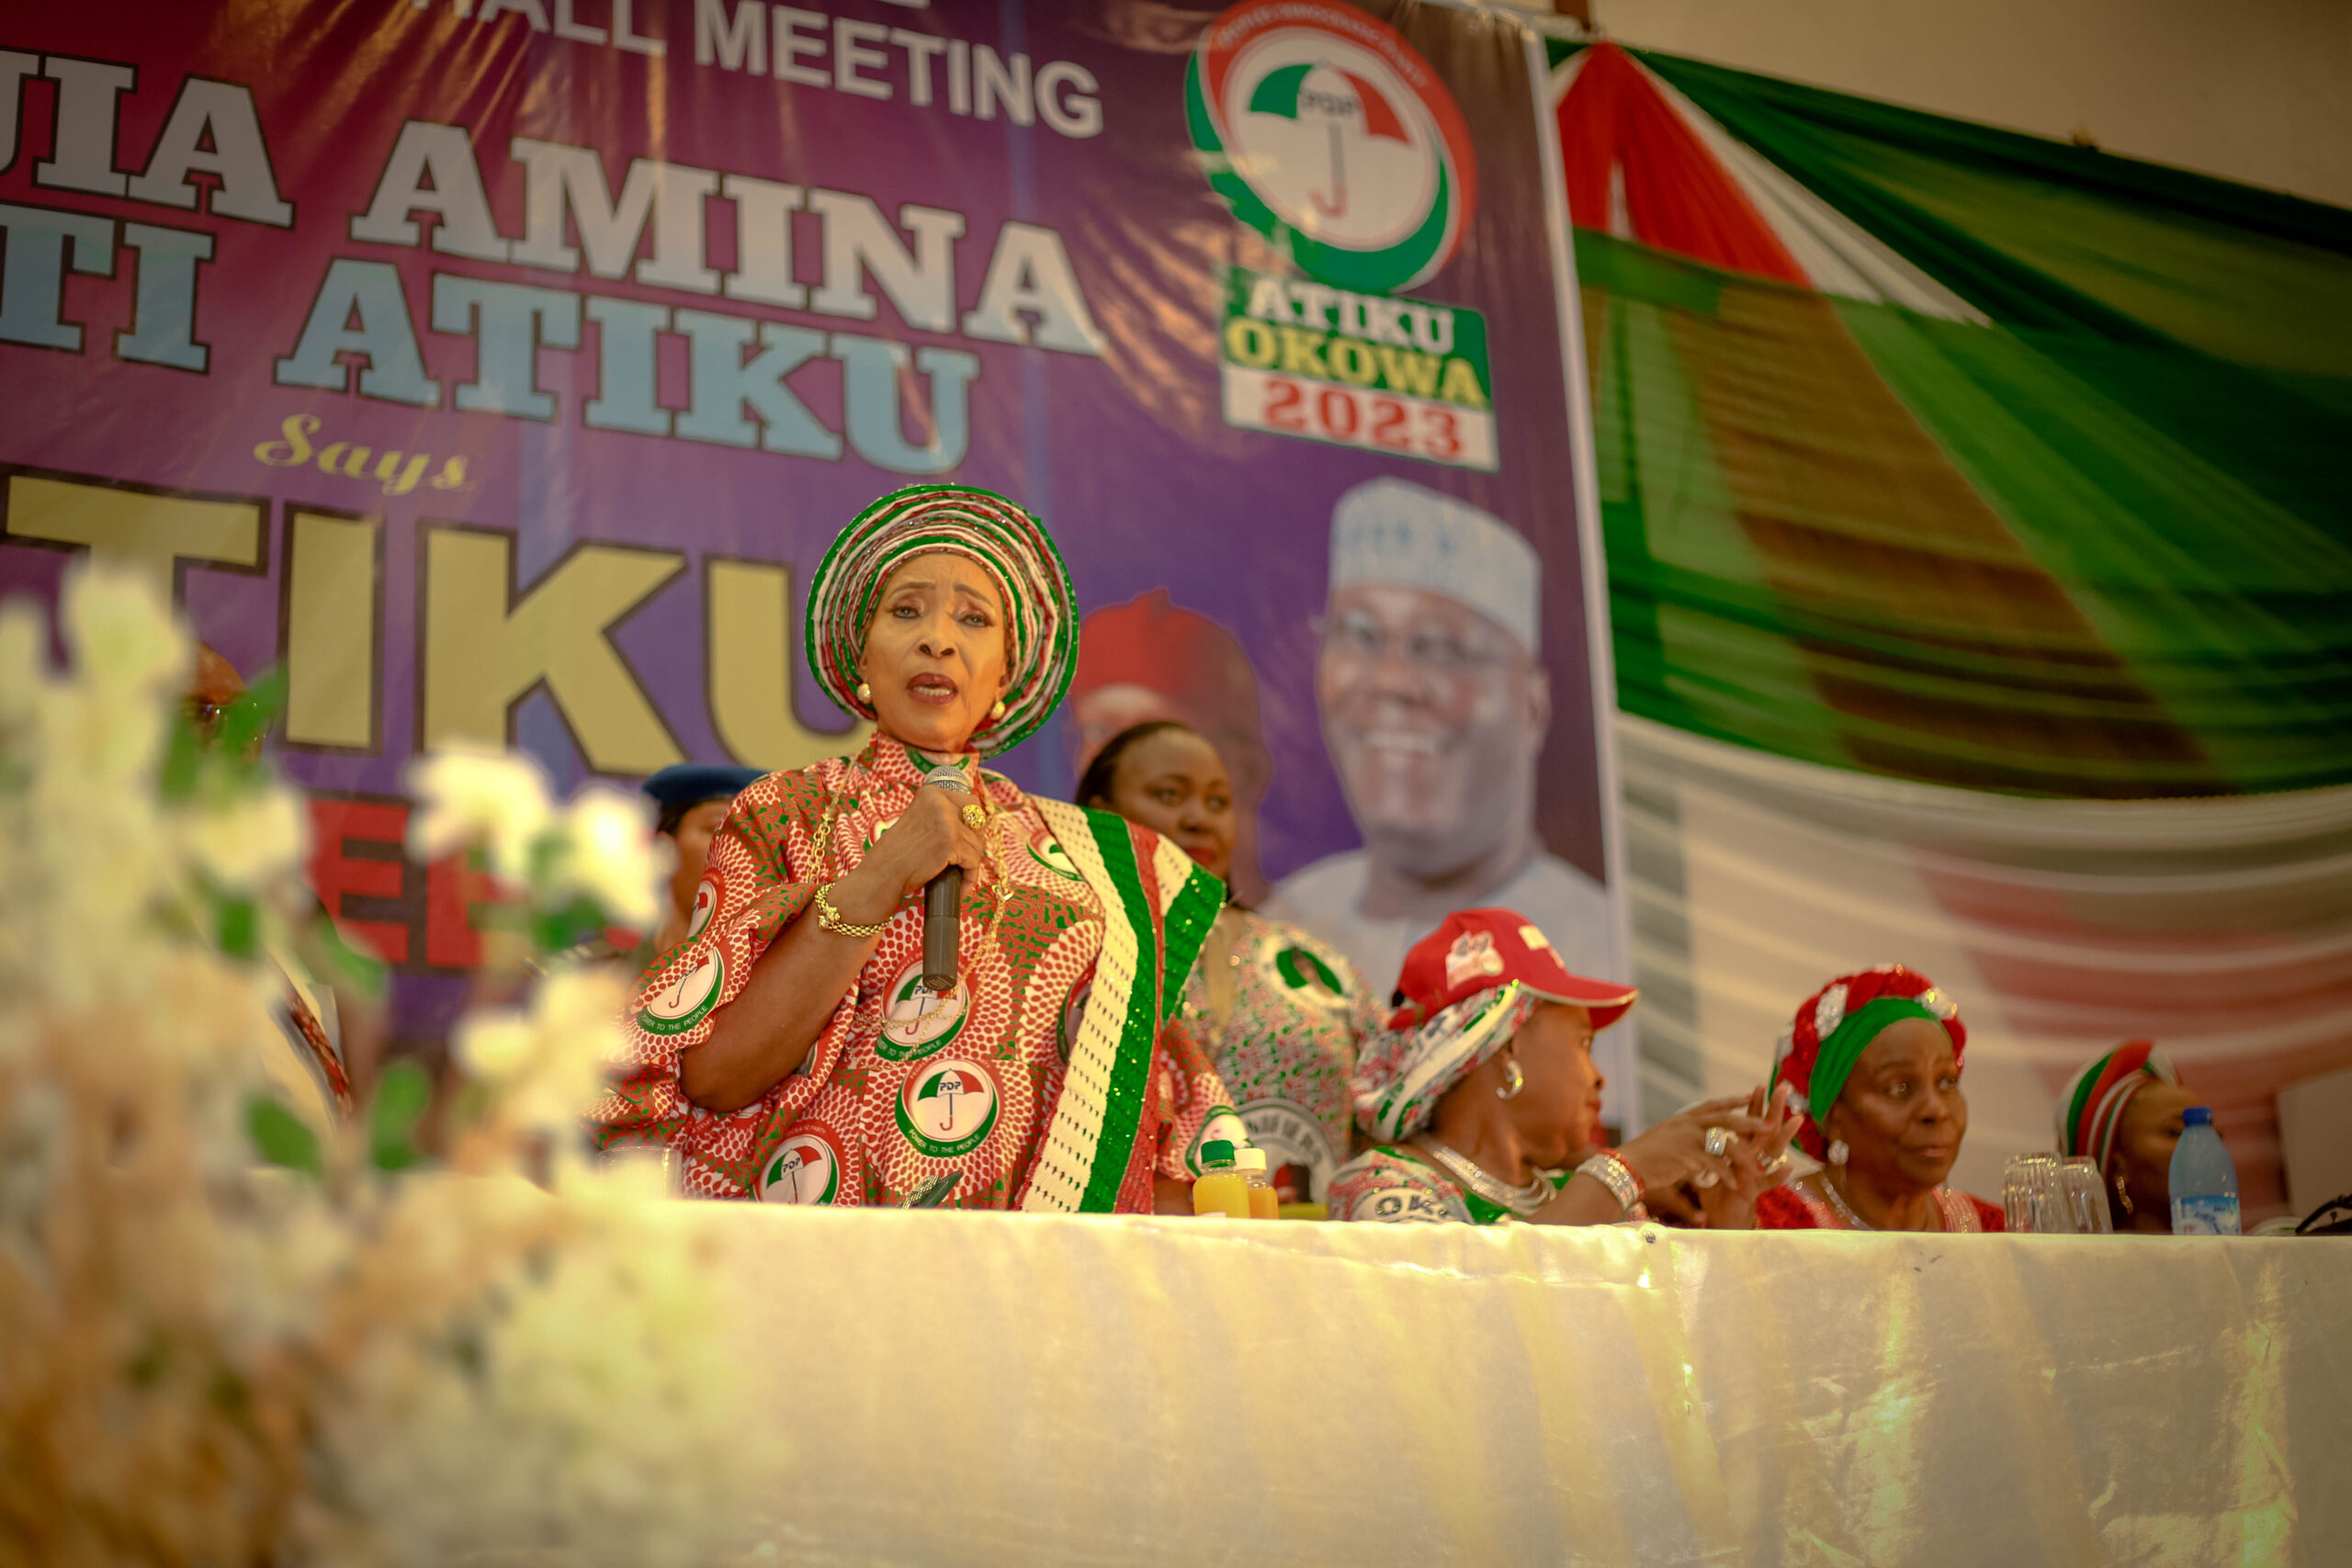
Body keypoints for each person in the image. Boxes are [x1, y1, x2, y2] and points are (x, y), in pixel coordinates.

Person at [592, 485, 1248, 1211]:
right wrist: (880, 877)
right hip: (827, 1272)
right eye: (907, 610)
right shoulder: (784, 811)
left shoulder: (1097, 867)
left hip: (1033, 1290)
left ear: (1006, 674)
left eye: (974, 617)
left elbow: (1153, 1119)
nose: (939, 637)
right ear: (862, 658)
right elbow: (713, 1077)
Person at [1268, 478, 1613, 1032]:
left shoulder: (1601, 948)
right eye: (1359, 636)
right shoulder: (1285, 926)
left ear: (1532, 706)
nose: (1393, 682)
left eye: (1441, 648)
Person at [1328, 909, 1795, 1226]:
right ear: (1504, 1046)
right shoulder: (1380, 1188)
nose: (1598, 1076)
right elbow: (1475, 1320)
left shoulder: (1585, 1196)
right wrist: (1624, 1170)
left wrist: (1728, 1218)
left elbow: (1672, 1344)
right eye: (1583, 1042)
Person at [1079, 719, 1370, 1212]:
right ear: (1100, 813)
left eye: (1218, 802)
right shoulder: (1072, 956)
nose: (1200, 818)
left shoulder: (1313, 965)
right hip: (1135, 1259)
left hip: (1313, 1260)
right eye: (1169, 795)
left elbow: (1387, 1113)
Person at [1068, 590, 1275, 907]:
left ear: (1247, 769)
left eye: (1157, 730)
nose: (1124, 758)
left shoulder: (1289, 951)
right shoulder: (1058, 938)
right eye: (1101, 731)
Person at [1758, 965, 2004, 1232]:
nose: (1937, 1109)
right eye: (1899, 1088)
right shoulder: (1767, 1228)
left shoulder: (1994, 1232)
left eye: (1947, 1082)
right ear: (1833, 1117)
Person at [2055, 1041, 2195, 1235]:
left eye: (2214, 1133)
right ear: (2118, 1165)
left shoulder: (2240, 1256)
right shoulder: (2090, 1262)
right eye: (2176, 1132)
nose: (2204, 1144)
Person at [640, 763, 763, 956]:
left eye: (758, 836)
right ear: (664, 849)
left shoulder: (794, 983)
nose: (742, 848)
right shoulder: (602, 976)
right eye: (719, 828)